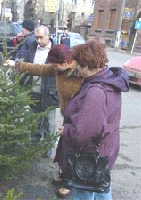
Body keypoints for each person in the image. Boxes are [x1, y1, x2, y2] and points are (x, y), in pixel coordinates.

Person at [54, 40, 129, 199]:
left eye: (77, 64)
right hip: (105, 151)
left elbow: (85, 134)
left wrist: (67, 130)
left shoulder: (95, 92)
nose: (75, 67)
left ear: (86, 66)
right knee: (101, 188)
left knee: (84, 192)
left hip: (88, 160)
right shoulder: (109, 80)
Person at [15, 44, 83, 197]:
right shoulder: (59, 69)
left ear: (65, 62)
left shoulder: (81, 74)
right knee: (63, 149)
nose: (53, 67)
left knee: (74, 152)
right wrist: (18, 65)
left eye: (55, 64)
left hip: (80, 119)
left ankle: (71, 183)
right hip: (68, 116)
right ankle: (64, 174)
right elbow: (39, 69)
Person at [8, 25, 58, 157]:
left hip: (50, 93)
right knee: (35, 120)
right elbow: (24, 63)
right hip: (33, 91)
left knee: (49, 122)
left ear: (48, 36)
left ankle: (47, 147)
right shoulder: (31, 48)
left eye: (41, 37)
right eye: (37, 37)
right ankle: (34, 144)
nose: (39, 40)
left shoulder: (56, 50)